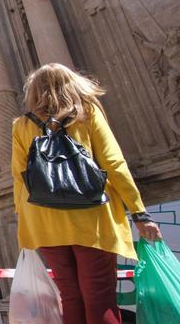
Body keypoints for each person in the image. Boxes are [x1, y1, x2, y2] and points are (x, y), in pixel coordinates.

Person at [12, 63, 162, 324]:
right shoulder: (86, 113)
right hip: (91, 218)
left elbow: (19, 178)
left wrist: (25, 225)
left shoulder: (22, 126)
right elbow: (114, 164)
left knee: (71, 297)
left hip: (45, 224)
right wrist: (139, 212)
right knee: (99, 297)